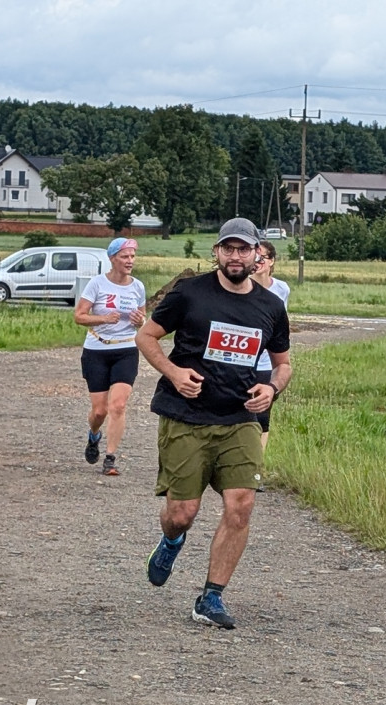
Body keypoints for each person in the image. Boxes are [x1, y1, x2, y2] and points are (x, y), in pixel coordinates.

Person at [137, 217, 292, 630]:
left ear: (258, 254)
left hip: (241, 417)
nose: (236, 256)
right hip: (186, 417)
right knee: (182, 512)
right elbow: (146, 337)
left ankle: (211, 597)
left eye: (244, 249)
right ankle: (172, 539)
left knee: (241, 505)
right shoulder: (189, 294)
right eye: (229, 248)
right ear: (217, 252)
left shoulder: (271, 306)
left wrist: (272, 390)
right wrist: (173, 373)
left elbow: (284, 365)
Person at [74, 237, 147, 476]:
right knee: (100, 411)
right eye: (125, 256)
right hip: (97, 350)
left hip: (126, 349)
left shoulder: (138, 286)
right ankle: (94, 435)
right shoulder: (97, 284)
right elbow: (79, 316)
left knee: (119, 405)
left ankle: (110, 458)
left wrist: (140, 322)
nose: (130, 261)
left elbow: (143, 321)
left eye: (132, 257)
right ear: (113, 258)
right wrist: (103, 318)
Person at [250, 241, 291, 458]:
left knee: (263, 417)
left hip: (267, 362)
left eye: (261, 258)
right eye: (253, 258)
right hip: (245, 360)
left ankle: (257, 466)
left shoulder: (281, 289)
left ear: (271, 261)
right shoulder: (243, 287)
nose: (257, 263)